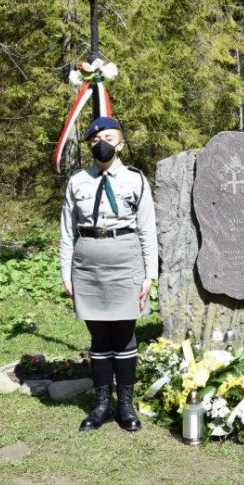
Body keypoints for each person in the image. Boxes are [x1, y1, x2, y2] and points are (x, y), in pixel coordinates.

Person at [59, 116, 158, 432]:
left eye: (110, 137)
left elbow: (147, 230)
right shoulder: (77, 182)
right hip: (87, 267)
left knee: (125, 337)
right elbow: (66, 231)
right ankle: (101, 405)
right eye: (95, 139)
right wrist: (66, 272)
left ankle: (125, 407)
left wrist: (149, 275)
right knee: (99, 338)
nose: (102, 143)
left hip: (126, 262)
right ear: (89, 145)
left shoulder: (136, 179)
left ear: (121, 143)